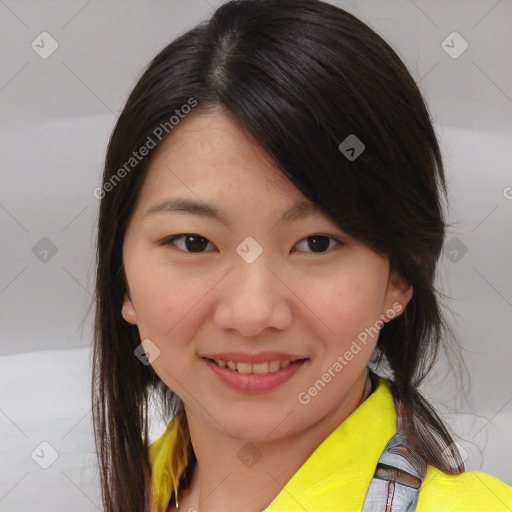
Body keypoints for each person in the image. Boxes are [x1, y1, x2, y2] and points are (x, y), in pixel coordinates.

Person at [91, 1, 512, 511]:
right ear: (122, 277)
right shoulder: (145, 485)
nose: (251, 313)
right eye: (194, 242)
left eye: (316, 243)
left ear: (402, 273)